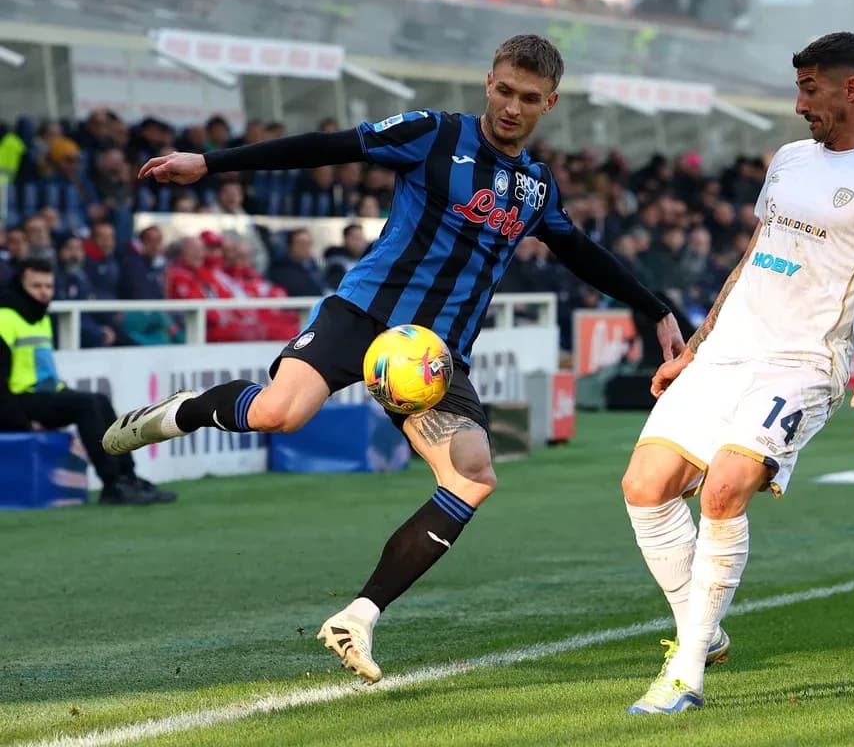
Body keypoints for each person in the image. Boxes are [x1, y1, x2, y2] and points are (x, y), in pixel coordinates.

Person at [102, 35, 684, 682]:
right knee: (277, 413)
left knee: (471, 475)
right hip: (364, 316)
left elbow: (581, 252)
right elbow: (327, 147)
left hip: (433, 358)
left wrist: (654, 306)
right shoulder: (431, 134)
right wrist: (209, 164)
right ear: (488, 81)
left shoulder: (536, 188)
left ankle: (359, 615)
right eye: (504, 91)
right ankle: (179, 414)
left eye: (528, 99)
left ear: (548, 103)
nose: (512, 107)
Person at [620, 32, 854, 714]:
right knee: (644, 487)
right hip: (728, 351)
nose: (799, 105)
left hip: (801, 363)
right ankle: (703, 634)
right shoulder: (790, 160)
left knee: (723, 489)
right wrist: (694, 347)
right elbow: (753, 257)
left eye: (810, 88)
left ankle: (685, 674)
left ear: (851, 89)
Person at [0, 258, 176, 505]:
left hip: (43, 394)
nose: (43, 292)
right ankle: (112, 483)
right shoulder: (5, 318)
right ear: (20, 286)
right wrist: (22, 422)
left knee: (99, 401)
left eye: (48, 286)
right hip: (19, 400)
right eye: (36, 286)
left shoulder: (37, 315)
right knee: (87, 405)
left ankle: (128, 476)